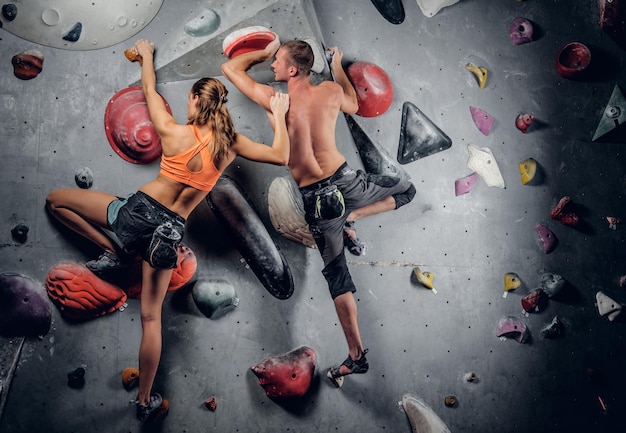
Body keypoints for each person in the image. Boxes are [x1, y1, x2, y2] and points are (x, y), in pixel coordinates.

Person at [46, 39, 290, 421]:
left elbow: (149, 91)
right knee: (151, 319)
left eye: (193, 101)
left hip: (134, 213)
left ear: (196, 101)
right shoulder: (231, 146)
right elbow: (281, 155)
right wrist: (276, 114)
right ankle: (144, 401)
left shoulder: (176, 132)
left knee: (56, 201)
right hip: (167, 236)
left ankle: (110, 251)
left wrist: (146, 57)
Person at [221, 38, 415, 387]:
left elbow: (229, 69)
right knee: (407, 189)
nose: (273, 65)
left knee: (338, 275)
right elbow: (354, 104)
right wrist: (337, 64)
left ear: (293, 69)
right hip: (349, 184)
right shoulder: (328, 90)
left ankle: (357, 353)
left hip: (317, 201)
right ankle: (354, 217)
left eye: (278, 61)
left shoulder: (274, 99)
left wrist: (262, 50)